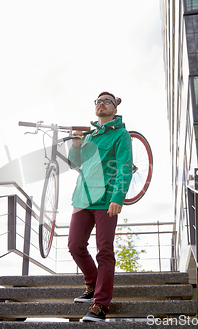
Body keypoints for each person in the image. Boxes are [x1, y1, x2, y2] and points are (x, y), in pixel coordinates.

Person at [67, 91, 133, 322]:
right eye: (98, 101)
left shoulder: (121, 135)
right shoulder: (90, 136)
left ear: (115, 109)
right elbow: (76, 163)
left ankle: (100, 304)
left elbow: (125, 166)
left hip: (107, 200)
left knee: (104, 250)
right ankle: (92, 284)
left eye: (107, 101)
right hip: (82, 199)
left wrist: (118, 196)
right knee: (75, 245)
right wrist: (76, 144)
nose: (101, 104)